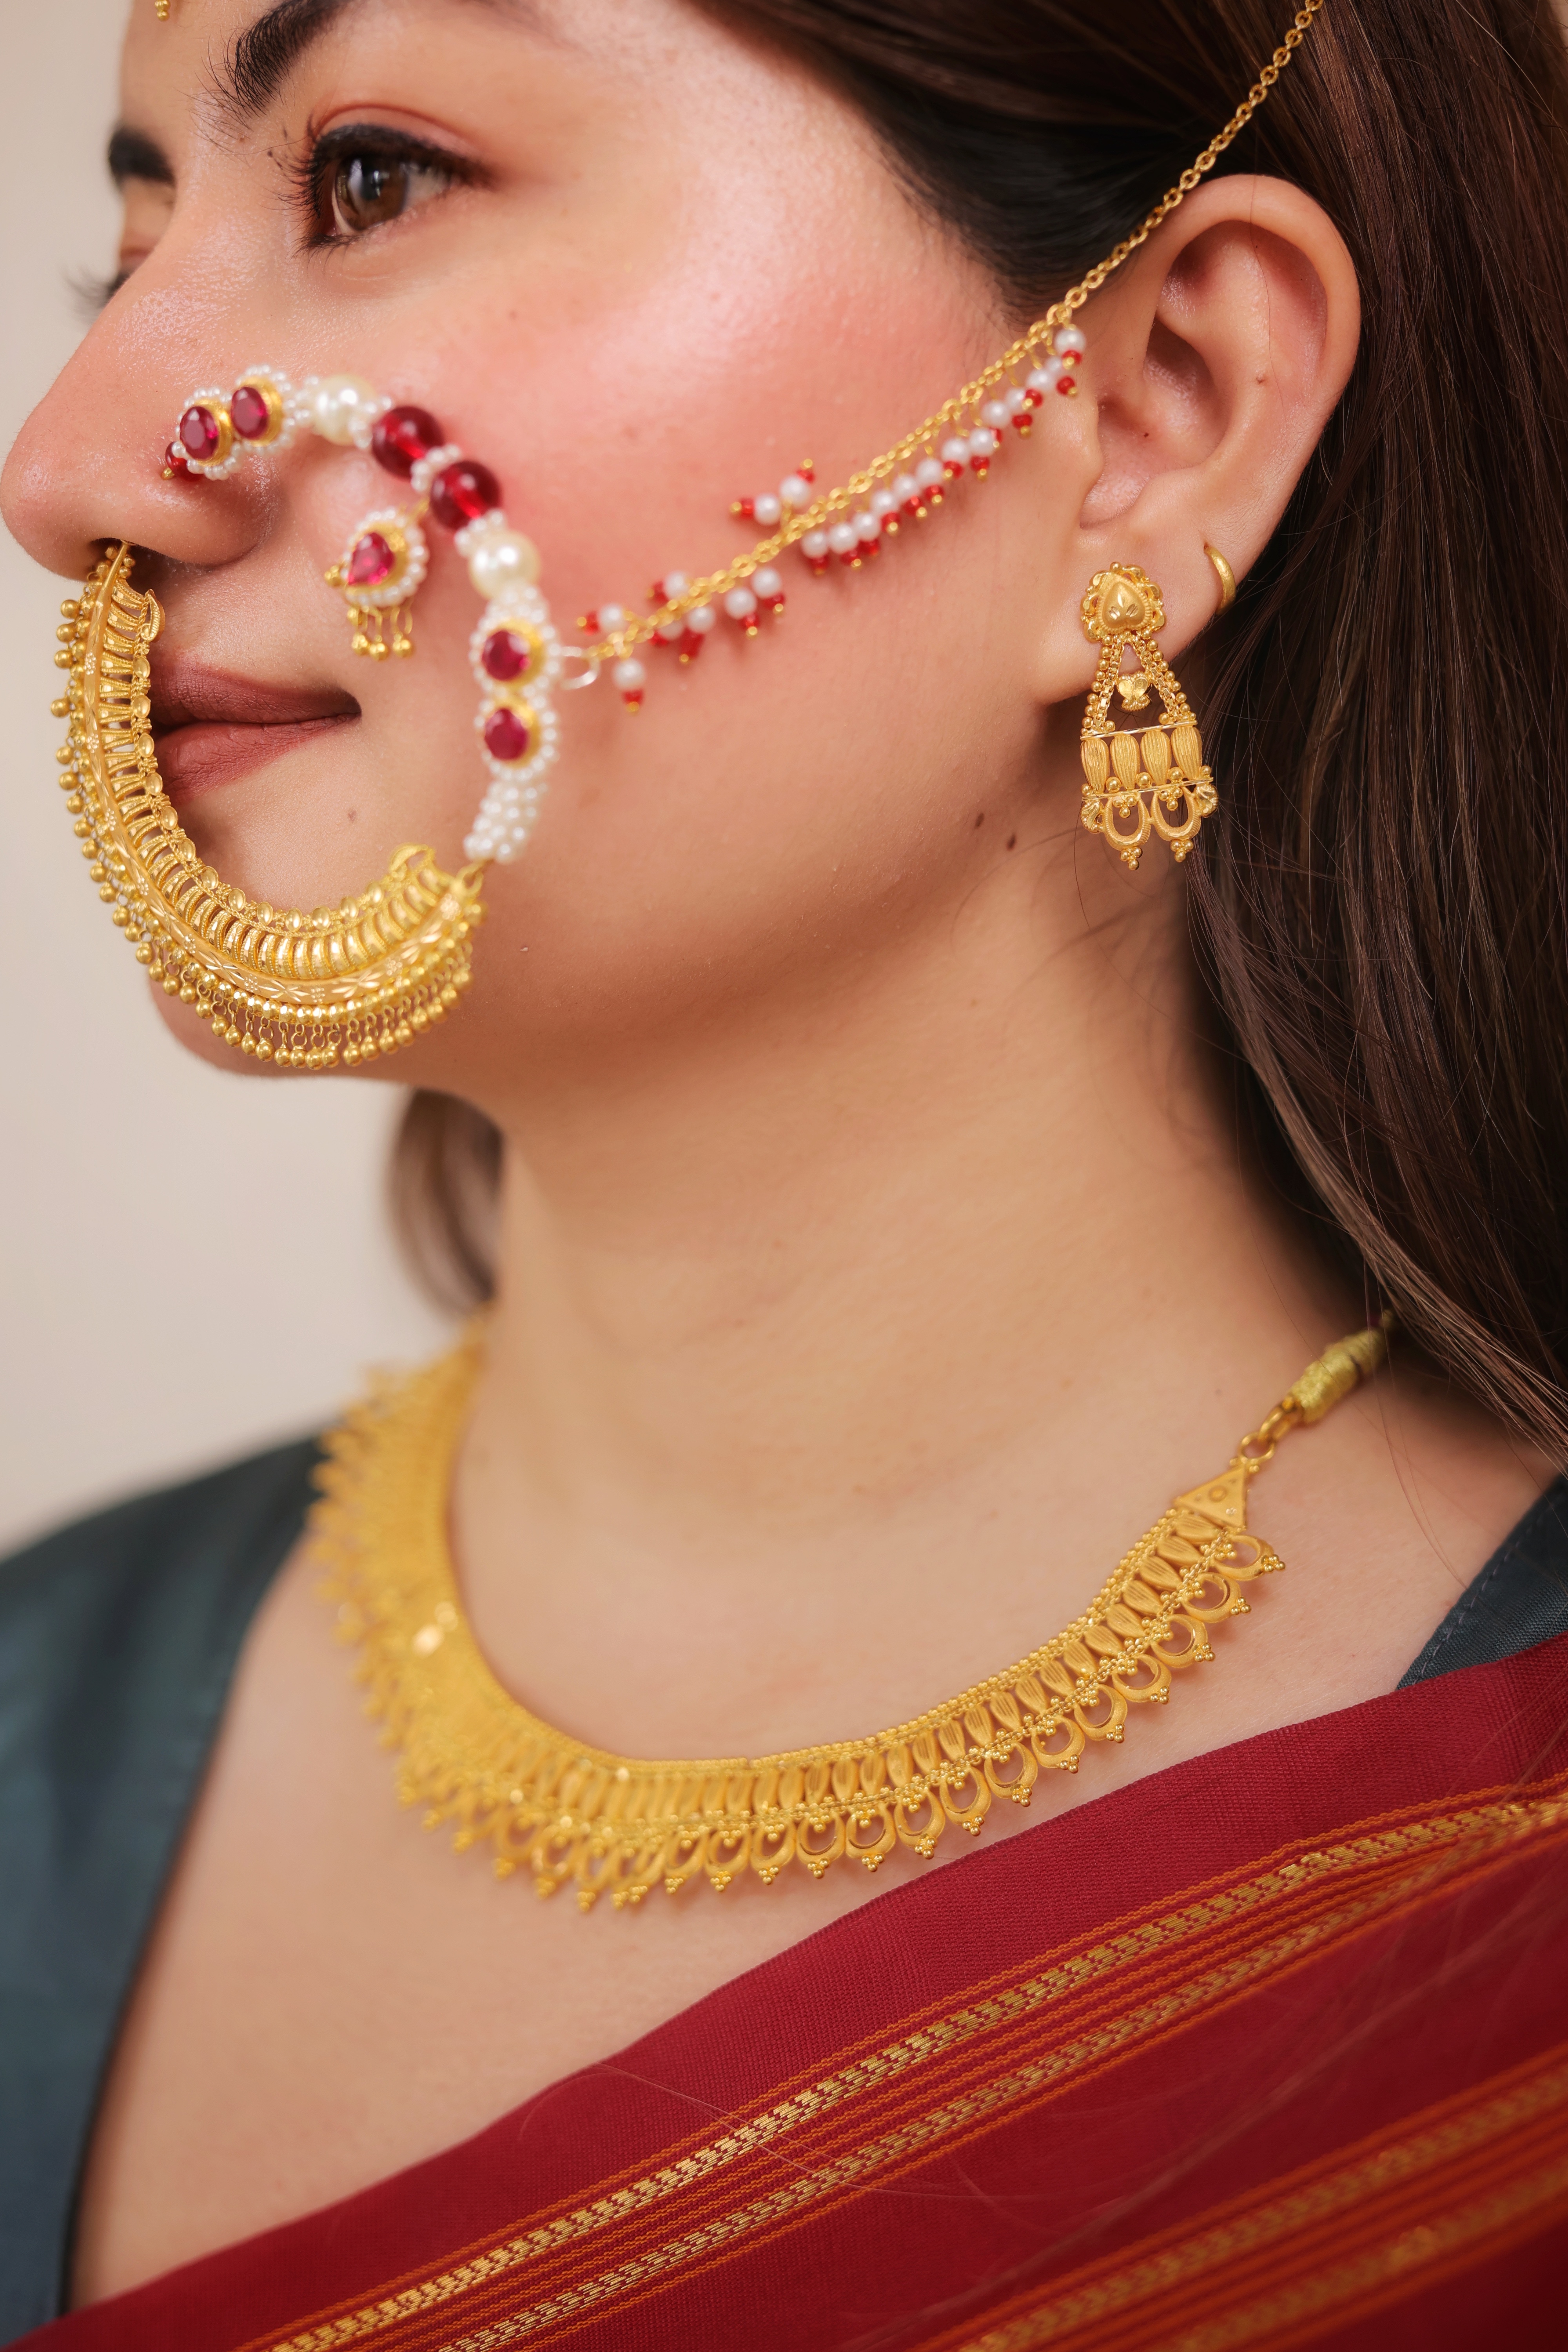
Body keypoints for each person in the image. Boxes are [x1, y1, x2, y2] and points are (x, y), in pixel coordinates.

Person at [5, 0, 1568, 2339]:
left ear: (1154, 419)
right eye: (121, 248)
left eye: (372, 178)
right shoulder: (33, 1727)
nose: (77, 463)